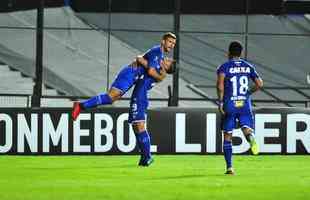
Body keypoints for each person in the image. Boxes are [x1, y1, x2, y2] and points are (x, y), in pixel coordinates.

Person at [72, 32, 177, 166]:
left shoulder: (160, 66)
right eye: (170, 42)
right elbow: (143, 62)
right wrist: (140, 60)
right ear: (163, 41)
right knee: (112, 98)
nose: (171, 46)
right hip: (131, 75)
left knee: (136, 124)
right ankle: (80, 106)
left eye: (173, 44)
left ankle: (146, 157)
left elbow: (149, 68)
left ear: (167, 68)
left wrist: (142, 61)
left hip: (137, 90)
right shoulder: (157, 52)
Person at [216, 41, 263, 175]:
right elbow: (260, 83)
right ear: (241, 53)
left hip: (230, 103)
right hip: (244, 103)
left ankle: (230, 167)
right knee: (246, 128)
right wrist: (248, 92)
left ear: (229, 53)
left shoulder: (224, 67)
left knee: (227, 135)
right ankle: (250, 137)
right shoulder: (248, 66)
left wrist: (220, 101)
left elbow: (220, 85)